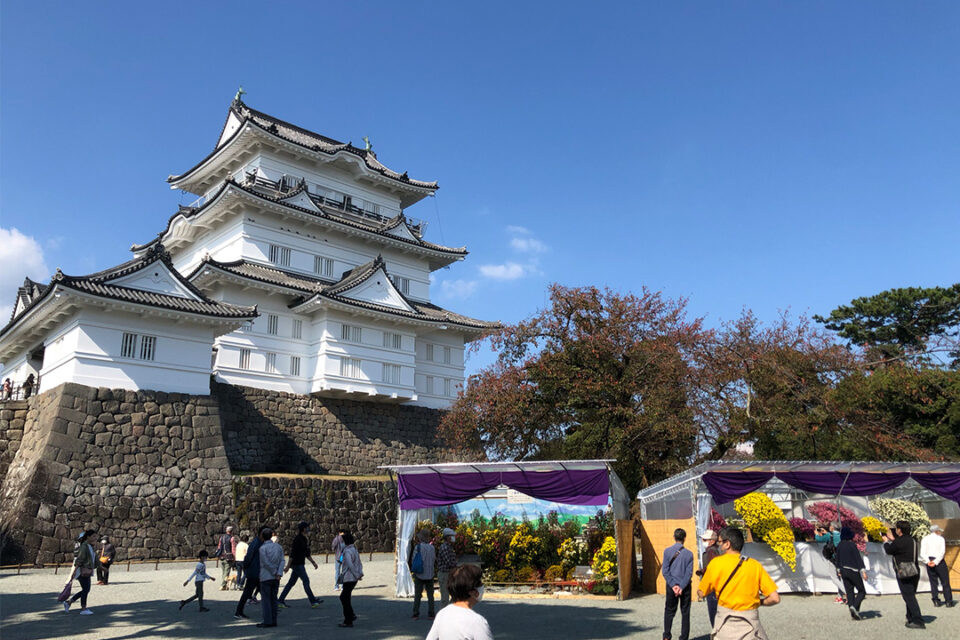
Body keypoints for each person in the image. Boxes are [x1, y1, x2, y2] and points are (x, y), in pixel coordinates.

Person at [697, 527, 780, 640]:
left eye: (720, 542)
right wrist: (759, 602)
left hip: (725, 625)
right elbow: (775, 598)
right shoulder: (754, 565)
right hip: (750, 626)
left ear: (727, 544)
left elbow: (701, 593)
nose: (719, 545)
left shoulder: (715, 564)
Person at [425, 564, 493, 640]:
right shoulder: (477, 622)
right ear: (473, 592)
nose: (482, 586)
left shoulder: (442, 614)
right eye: (480, 583)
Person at [883, 520, 925, 629]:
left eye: (897, 528)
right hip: (915, 570)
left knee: (908, 596)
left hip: (904, 571)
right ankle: (910, 617)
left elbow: (889, 550)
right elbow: (902, 547)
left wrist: (886, 541)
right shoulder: (913, 540)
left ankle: (918, 620)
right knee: (910, 595)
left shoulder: (898, 542)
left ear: (899, 530)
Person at [278, 521, 323, 608]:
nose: (308, 529)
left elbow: (306, 553)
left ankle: (280, 600)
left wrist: (313, 563)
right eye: (307, 527)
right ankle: (313, 601)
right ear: (303, 529)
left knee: (291, 583)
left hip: (299, 564)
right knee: (306, 581)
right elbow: (292, 554)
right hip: (297, 564)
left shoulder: (304, 539)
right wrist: (288, 566)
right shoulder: (297, 539)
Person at [661, 527, 694, 640]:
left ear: (674, 537)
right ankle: (684, 637)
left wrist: (673, 585)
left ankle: (666, 636)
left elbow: (665, 570)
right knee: (685, 613)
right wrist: (681, 586)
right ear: (684, 538)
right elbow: (689, 573)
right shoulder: (689, 554)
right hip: (685, 586)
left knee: (669, 611)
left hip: (671, 586)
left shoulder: (667, 551)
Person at [835, 526, 868, 620]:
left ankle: (853, 613)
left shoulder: (840, 545)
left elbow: (837, 559)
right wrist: (863, 571)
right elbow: (858, 559)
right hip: (853, 570)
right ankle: (855, 607)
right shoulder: (852, 545)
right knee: (861, 591)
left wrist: (838, 570)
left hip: (843, 571)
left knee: (849, 592)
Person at [64, 529, 98, 615]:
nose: (95, 538)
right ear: (88, 537)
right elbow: (79, 559)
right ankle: (83, 608)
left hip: (86, 570)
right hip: (82, 571)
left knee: (86, 589)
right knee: (86, 589)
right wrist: (74, 571)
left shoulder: (90, 546)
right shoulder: (84, 546)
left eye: (96, 536)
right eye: (93, 536)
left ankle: (69, 602)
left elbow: (94, 559)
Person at [921, 524, 955, 608]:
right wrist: (936, 562)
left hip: (929, 559)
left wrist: (928, 561)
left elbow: (922, 553)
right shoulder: (940, 539)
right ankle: (948, 601)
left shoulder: (925, 539)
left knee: (933, 582)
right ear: (936, 531)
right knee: (945, 581)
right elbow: (942, 552)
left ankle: (935, 600)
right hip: (939, 561)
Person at [234, 526, 264, 619]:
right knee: (248, 592)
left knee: (260, 590)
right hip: (254, 572)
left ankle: (271, 608)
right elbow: (248, 557)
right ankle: (238, 611)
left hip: (255, 571)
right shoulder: (256, 544)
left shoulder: (257, 543)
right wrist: (247, 569)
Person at [258, 527, 284, 628]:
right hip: (276, 578)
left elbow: (265, 562)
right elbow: (282, 560)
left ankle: (267, 621)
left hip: (266, 576)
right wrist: (279, 573)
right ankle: (274, 620)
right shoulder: (278, 547)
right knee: (274, 599)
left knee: (266, 600)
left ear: (263, 537)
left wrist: (274, 572)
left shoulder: (262, 548)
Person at [336, 531, 363, 628]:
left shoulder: (347, 551)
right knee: (346, 597)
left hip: (349, 577)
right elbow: (359, 563)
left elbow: (350, 565)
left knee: (344, 598)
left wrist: (356, 574)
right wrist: (360, 573)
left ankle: (348, 619)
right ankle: (350, 616)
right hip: (353, 578)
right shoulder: (354, 549)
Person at [695, 529, 721, 628]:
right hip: (718, 585)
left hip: (712, 586)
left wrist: (703, 571)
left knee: (713, 614)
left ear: (712, 541)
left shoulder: (711, 551)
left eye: (705, 539)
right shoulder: (718, 550)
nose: (703, 541)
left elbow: (713, 567)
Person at [815, 522, 845, 603]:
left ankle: (847, 593)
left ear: (832, 527)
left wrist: (816, 533)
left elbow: (818, 539)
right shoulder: (842, 535)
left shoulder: (830, 535)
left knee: (834, 577)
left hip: (834, 559)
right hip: (843, 558)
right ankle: (840, 596)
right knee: (841, 577)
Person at [410, 527, 437, 620]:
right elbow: (434, 559)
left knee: (418, 594)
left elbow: (414, 559)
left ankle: (415, 613)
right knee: (430, 595)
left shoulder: (418, 547)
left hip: (419, 573)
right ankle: (431, 613)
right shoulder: (432, 547)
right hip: (430, 574)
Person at [436, 528, 458, 610]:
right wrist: (456, 566)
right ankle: (443, 616)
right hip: (444, 574)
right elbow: (449, 562)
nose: (454, 538)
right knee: (445, 597)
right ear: (448, 537)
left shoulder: (449, 547)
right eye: (452, 536)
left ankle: (448, 612)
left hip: (449, 573)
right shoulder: (445, 547)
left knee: (455, 595)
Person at [214, 525, 236, 591]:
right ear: (231, 531)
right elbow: (233, 549)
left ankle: (224, 585)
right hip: (228, 557)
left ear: (226, 531)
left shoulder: (222, 537)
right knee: (226, 572)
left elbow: (219, 547)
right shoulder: (232, 538)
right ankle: (223, 585)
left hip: (222, 556)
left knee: (223, 572)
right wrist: (234, 557)